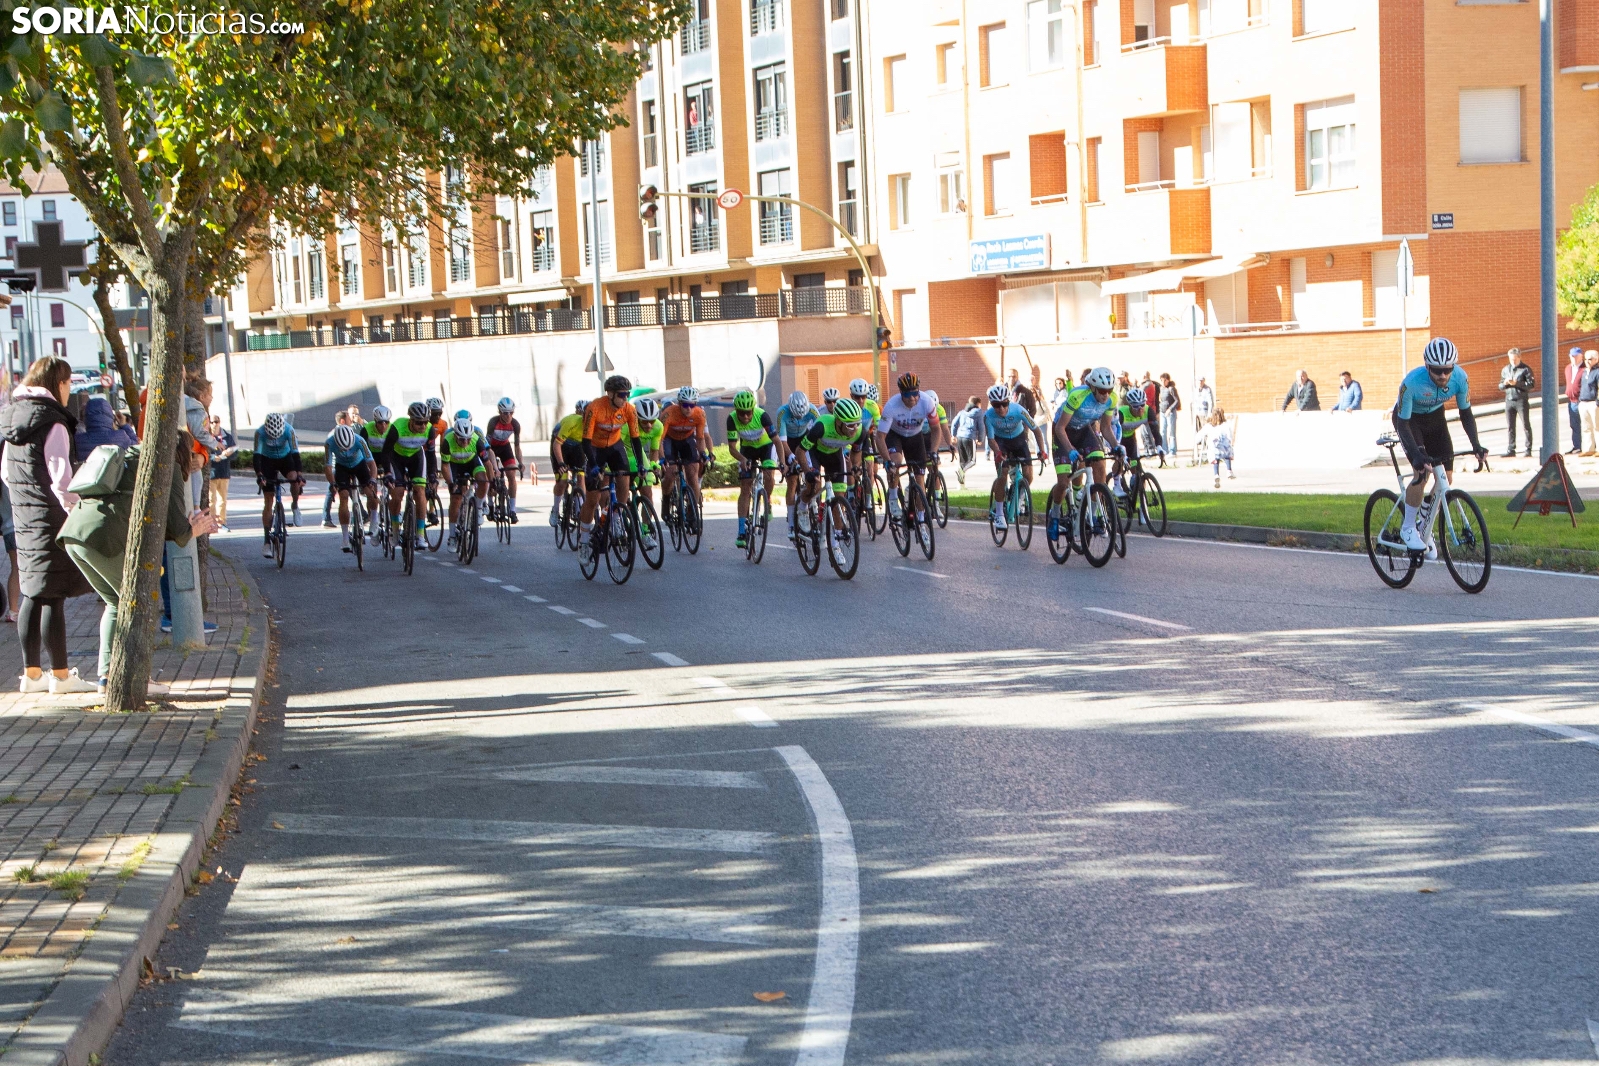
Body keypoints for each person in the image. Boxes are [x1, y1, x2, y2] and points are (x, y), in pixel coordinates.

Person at [59, 432, 217, 693]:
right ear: (181, 452)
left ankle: (107, 678)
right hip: (103, 539)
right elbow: (178, 530)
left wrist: (184, 528)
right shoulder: (167, 465)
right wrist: (195, 529)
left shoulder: (133, 456)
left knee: (117, 602)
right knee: (138, 602)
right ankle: (137, 679)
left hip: (75, 534)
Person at [0, 356, 95, 694]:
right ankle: (61, 676)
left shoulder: (12, 417)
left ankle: (31, 675)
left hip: (23, 517)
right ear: (58, 383)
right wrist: (77, 512)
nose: (70, 390)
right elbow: (61, 479)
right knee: (53, 595)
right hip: (49, 518)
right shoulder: (52, 421)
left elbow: (5, 473)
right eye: (68, 383)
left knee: (32, 592)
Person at [1391, 337, 1488, 555]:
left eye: (1447, 370)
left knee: (1446, 477)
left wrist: (1476, 444)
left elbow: (1466, 413)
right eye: (1436, 370)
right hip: (1410, 422)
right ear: (1427, 366)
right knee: (1422, 474)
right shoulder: (1411, 383)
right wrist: (1416, 454)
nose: (1443, 375)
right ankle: (1408, 527)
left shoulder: (1460, 378)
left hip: (1435, 420)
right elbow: (1403, 424)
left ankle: (1425, 519)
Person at [1046, 367, 1119, 539]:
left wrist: (1117, 446)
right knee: (1063, 482)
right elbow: (1060, 427)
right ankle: (1054, 515)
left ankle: (1092, 516)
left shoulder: (1112, 399)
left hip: (1084, 430)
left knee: (1099, 465)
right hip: (1063, 432)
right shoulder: (1077, 396)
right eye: (1102, 391)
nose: (1106, 395)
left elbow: (1106, 428)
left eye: (1109, 390)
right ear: (1093, 388)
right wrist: (1070, 449)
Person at [579, 376, 645, 561]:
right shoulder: (595, 408)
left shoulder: (629, 410)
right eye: (621, 395)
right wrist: (593, 465)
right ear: (610, 394)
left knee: (624, 479)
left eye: (627, 394)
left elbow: (635, 439)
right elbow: (585, 441)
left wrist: (640, 463)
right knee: (592, 499)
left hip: (615, 447)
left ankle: (617, 516)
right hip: (595, 449)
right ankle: (584, 542)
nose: (625, 398)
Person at [873, 373, 943, 528]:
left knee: (919, 478)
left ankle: (921, 517)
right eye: (907, 394)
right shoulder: (891, 406)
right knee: (895, 462)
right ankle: (892, 498)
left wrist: (933, 451)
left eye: (915, 393)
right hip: (894, 435)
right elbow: (880, 437)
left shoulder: (927, 402)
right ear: (901, 393)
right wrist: (887, 460)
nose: (912, 398)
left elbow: (936, 429)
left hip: (915, 436)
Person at [983, 383, 1048, 532]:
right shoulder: (988, 416)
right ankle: (999, 513)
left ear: (1009, 401)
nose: (1001, 408)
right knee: (1002, 475)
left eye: (1004, 404)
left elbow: (1036, 430)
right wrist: (998, 453)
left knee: (1028, 476)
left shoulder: (1018, 410)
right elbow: (991, 440)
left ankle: (1018, 495)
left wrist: (1041, 451)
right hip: (1001, 443)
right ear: (992, 404)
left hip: (1019, 441)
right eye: (996, 405)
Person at [726, 388, 778, 549]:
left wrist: (782, 463)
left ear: (753, 409)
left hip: (766, 447)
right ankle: (741, 531)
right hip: (747, 450)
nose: (745, 417)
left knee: (769, 475)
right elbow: (732, 448)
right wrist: (742, 459)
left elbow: (777, 441)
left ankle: (767, 500)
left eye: (748, 412)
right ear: (736, 410)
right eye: (741, 413)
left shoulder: (762, 415)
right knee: (745, 486)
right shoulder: (732, 419)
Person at [381, 401, 439, 541]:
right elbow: (386, 452)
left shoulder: (430, 430)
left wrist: (432, 474)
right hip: (396, 458)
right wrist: (387, 473)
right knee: (398, 493)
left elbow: (431, 454)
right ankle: (395, 529)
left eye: (425, 422)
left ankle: (420, 534)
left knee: (420, 492)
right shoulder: (398, 427)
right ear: (411, 420)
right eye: (419, 422)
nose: (423, 426)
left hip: (416, 457)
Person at [252, 413, 306, 555]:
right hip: (267, 460)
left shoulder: (289, 430)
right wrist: (260, 475)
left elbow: (296, 454)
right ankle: (266, 541)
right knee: (268, 500)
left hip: (285, 458)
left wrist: (300, 475)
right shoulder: (260, 433)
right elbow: (257, 456)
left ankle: (295, 505)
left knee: (294, 478)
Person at [440, 410, 493, 547]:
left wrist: (492, 481)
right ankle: (452, 535)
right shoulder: (447, 441)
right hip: (455, 465)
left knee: (484, 481)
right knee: (456, 498)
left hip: (471, 462)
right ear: (455, 435)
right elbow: (445, 466)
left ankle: (479, 508)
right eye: (462, 439)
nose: (465, 442)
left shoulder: (476, 440)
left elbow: (487, 464)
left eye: (468, 439)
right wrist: (451, 484)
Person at [324, 422, 379, 552]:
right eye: (342, 449)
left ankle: (374, 520)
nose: (346, 451)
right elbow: (328, 467)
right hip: (342, 467)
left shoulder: (359, 440)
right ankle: (345, 538)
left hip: (359, 465)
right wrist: (332, 483)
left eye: (348, 448)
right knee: (343, 497)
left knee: (370, 493)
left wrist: (372, 480)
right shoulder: (329, 443)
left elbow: (372, 463)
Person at [777, 390, 821, 540]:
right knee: (792, 481)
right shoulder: (782, 413)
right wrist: (791, 457)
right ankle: (791, 523)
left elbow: (820, 434)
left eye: (802, 416)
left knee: (814, 474)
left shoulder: (813, 411)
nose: (799, 419)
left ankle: (812, 502)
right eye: (796, 416)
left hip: (804, 440)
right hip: (788, 442)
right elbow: (782, 442)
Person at [622, 397, 663, 551]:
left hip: (639, 456)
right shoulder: (626, 426)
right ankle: (621, 520)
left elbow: (654, 450)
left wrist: (654, 465)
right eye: (644, 422)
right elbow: (616, 446)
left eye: (652, 421)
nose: (649, 425)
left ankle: (645, 531)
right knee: (622, 490)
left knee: (647, 493)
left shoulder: (658, 427)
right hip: (622, 455)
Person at [548, 399, 588, 527]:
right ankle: (555, 509)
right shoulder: (572, 422)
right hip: (561, 446)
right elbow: (557, 445)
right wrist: (561, 463)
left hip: (577, 447)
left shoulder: (593, 426)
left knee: (581, 477)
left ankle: (580, 508)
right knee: (563, 480)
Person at [484, 397, 524, 522]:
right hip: (491, 448)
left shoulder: (515, 425)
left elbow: (517, 447)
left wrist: (520, 462)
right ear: (500, 412)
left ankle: (512, 509)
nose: (508, 416)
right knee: (491, 475)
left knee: (511, 475)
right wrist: (494, 468)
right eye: (505, 413)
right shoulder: (493, 423)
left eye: (511, 413)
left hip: (505, 447)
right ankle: (490, 504)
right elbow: (487, 446)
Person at [1499, 348, 1535, 458]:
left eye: (1515, 359)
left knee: (1526, 425)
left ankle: (1528, 449)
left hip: (1521, 400)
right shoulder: (1506, 369)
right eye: (1511, 359)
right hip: (1509, 400)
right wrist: (1505, 383)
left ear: (1519, 357)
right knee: (1510, 426)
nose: (1513, 361)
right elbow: (1500, 385)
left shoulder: (1525, 369)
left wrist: (1517, 383)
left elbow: (1531, 384)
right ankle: (1511, 449)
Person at [322, 411, 351, 527]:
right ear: (342, 421)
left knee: (346, 491)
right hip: (336, 466)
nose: (351, 421)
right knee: (332, 491)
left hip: (340, 466)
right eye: (349, 419)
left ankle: (363, 514)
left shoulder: (340, 432)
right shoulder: (334, 434)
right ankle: (325, 518)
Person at [208, 416, 237, 531]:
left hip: (224, 473)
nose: (214, 424)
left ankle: (221, 523)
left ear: (219, 422)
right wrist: (212, 457)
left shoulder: (227, 437)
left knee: (222, 500)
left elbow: (235, 453)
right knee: (211, 500)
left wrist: (227, 454)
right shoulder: (207, 436)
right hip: (211, 473)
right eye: (211, 422)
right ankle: (211, 523)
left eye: (216, 422)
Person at [949, 395, 985, 486]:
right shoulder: (979, 412)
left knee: (963, 461)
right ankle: (961, 471)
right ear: (978, 404)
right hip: (970, 437)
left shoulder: (962, 412)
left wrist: (953, 435)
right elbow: (981, 427)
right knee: (972, 461)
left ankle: (961, 485)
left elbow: (954, 423)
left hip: (960, 437)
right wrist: (980, 439)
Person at [1200, 408, 1234, 487]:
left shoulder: (1209, 426)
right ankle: (1229, 470)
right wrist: (1229, 441)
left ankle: (1216, 475)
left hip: (1214, 448)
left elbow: (1201, 433)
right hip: (1224, 447)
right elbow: (1229, 435)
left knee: (1215, 460)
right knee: (1227, 455)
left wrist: (1197, 439)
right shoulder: (1225, 425)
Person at [1566, 347, 1585, 455]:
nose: (1574, 358)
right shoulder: (1568, 368)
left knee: (1586, 425)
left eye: (1576, 356)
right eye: (1572, 356)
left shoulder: (1585, 368)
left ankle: (1588, 446)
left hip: (1582, 401)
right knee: (1574, 425)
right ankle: (1577, 446)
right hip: (1572, 401)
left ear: (1581, 356)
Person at [1158, 374, 1181, 464]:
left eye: (1165, 380)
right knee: (1162, 431)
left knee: (1171, 432)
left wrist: (1170, 409)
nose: (1163, 382)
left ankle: (1172, 450)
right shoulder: (1161, 388)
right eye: (1161, 380)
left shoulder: (1171, 389)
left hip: (1170, 412)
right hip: (1162, 412)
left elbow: (1177, 401)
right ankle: (1165, 450)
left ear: (1168, 380)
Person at [1580, 350, 1599, 456]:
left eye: (1590, 359)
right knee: (1586, 427)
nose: (1587, 361)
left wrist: (1597, 402)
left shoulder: (1597, 372)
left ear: (1596, 359)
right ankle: (1588, 449)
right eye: (1585, 359)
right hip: (1583, 402)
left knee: (1597, 427)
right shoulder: (1584, 372)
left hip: (1593, 403)